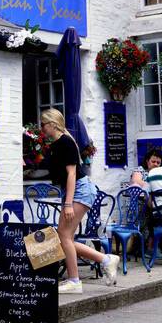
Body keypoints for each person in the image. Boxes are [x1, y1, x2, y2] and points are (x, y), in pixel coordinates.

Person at [40, 109, 118, 292]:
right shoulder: (57, 144)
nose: (41, 129)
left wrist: (67, 203)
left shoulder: (65, 142)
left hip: (80, 190)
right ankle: (106, 259)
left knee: (64, 236)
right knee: (63, 237)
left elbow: (72, 173)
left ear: (52, 124)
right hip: (74, 190)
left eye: (43, 125)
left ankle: (75, 281)